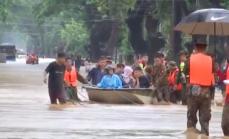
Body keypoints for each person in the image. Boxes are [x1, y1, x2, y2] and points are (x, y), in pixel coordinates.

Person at [186, 43, 213, 136]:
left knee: (191, 117)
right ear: (205, 49)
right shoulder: (210, 59)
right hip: (206, 92)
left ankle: (190, 135)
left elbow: (185, 71)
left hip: (193, 90)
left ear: (196, 48)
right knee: (205, 119)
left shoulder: (190, 58)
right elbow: (214, 72)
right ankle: (205, 135)